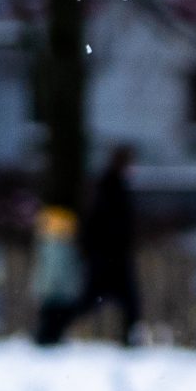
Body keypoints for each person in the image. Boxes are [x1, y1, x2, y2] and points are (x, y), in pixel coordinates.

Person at [79, 144, 142, 342]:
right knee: (90, 300)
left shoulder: (113, 186)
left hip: (111, 257)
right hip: (109, 258)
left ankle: (129, 338)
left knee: (127, 302)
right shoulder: (110, 187)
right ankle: (52, 328)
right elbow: (101, 223)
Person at [30, 206, 84, 346]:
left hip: (54, 292)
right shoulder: (57, 244)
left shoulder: (52, 243)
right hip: (55, 292)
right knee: (53, 317)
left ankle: (48, 338)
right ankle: (48, 338)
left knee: (52, 317)